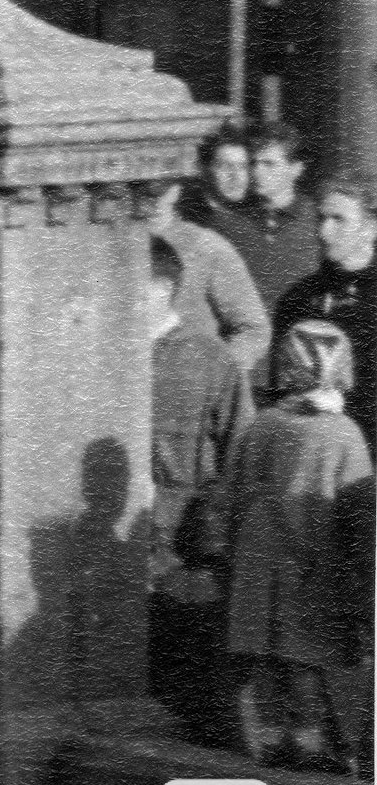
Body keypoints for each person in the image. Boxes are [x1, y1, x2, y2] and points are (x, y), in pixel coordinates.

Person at [223, 320, 372, 772]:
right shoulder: (344, 434)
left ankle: (261, 744)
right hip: (315, 565)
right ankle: (309, 745)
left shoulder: (262, 425)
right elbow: (361, 516)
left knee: (262, 660)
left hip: (257, 566)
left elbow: (234, 493)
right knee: (307, 661)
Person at [144, 236, 253, 745]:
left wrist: (211, 554)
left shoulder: (211, 362)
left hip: (180, 561)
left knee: (192, 703)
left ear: (161, 288)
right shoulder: (90, 357)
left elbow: (239, 465)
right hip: (114, 559)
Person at [274, 171, 377, 451]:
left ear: (370, 227)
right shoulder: (297, 299)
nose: (324, 231)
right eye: (321, 219)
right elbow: (280, 390)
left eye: (339, 220)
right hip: (308, 451)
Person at [149, 181, 270, 375]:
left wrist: (215, 376)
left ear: (175, 190)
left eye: (159, 191)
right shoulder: (102, 242)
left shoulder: (206, 247)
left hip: (187, 385)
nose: (151, 201)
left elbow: (254, 330)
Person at [219, 122, 323, 310]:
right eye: (253, 163)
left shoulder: (318, 220)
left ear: (296, 169)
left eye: (269, 164)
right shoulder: (228, 222)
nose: (257, 172)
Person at [177, 122, 250, 237]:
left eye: (242, 166)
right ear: (203, 169)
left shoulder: (246, 221)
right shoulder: (191, 226)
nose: (236, 176)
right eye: (226, 166)